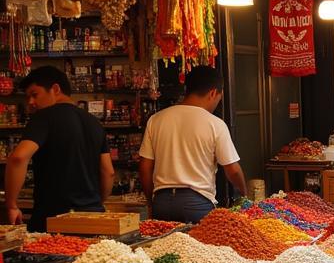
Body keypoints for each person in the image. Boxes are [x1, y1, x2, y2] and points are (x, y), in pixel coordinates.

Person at [4, 65, 113, 231]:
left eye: (34, 95)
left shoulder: (44, 117)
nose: (31, 102)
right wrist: (95, 204)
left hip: (53, 219)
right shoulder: (94, 122)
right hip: (93, 217)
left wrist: (11, 205)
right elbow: (108, 171)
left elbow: (18, 157)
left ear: (55, 89)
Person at [138, 65, 248, 223]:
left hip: (162, 202)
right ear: (212, 93)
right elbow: (233, 171)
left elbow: (144, 168)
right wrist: (244, 194)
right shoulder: (215, 124)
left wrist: (151, 201)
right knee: (199, 247)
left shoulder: (157, 120)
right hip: (197, 204)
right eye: (219, 97)